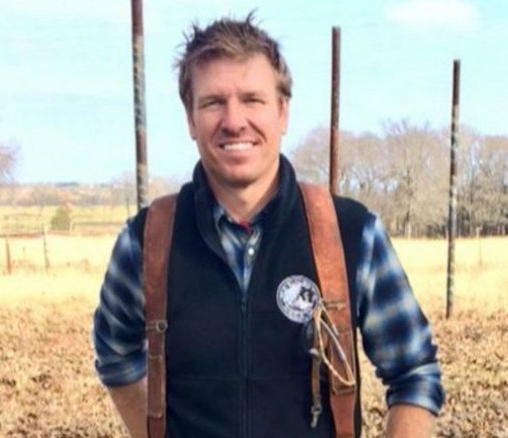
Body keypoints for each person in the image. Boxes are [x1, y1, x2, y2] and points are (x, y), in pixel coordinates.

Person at [92, 13, 444, 438]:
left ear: (282, 112)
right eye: (213, 102)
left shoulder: (350, 234)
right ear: (190, 119)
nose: (234, 120)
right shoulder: (148, 241)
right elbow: (116, 356)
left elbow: (413, 371)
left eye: (252, 99)